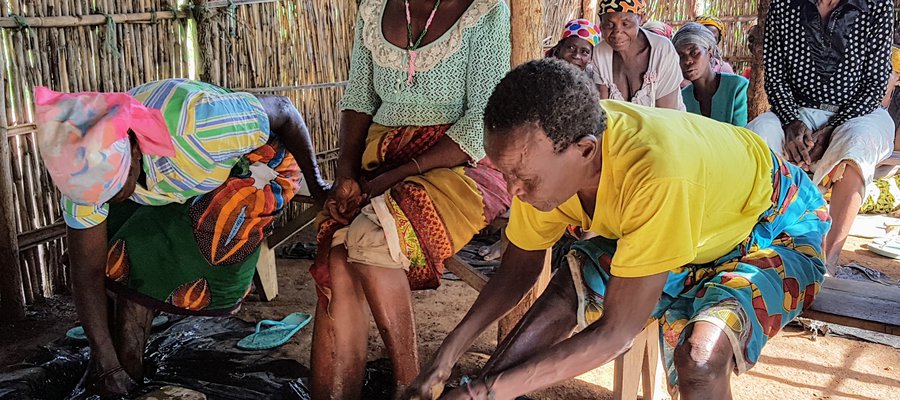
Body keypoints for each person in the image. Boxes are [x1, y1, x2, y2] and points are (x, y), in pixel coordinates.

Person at [405, 59, 829, 400]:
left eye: (523, 180)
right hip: (694, 230)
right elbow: (517, 270)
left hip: (775, 226)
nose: (513, 192)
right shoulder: (542, 159)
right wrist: (446, 359)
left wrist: (484, 392)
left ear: (585, 150)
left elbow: (615, 334)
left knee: (699, 361)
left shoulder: (655, 174)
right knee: (566, 289)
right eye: (506, 174)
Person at [34, 79, 329, 398]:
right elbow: (86, 271)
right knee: (111, 249)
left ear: (133, 150)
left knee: (146, 257)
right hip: (174, 173)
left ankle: (129, 370)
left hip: (259, 163)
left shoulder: (200, 128)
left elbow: (285, 112)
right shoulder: (81, 165)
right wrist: (103, 359)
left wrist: (318, 186)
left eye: (115, 188)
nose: (110, 198)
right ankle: (116, 367)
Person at [309, 0, 512, 398]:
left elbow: (481, 120)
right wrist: (347, 175)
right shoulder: (373, 8)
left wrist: (392, 177)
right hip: (381, 157)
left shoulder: (487, 10)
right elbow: (359, 99)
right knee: (336, 256)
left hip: (460, 161)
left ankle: (412, 385)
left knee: (372, 239)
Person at [746, 0, 894, 274]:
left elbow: (875, 86)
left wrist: (831, 130)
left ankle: (827, 260)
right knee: (756, 138)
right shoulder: (784, 4)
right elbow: (775, 76)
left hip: (860, 113)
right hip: (796, 112)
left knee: (856, 146)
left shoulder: (876, 5)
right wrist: (791, 121)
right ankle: (769, 246)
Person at [591, 0, 685, 110]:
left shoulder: (662, 50)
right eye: (609, 25)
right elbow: (604, 110)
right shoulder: (600, 52)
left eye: (625, 24)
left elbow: (665, 115)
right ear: (601, 23)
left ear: (641, 18)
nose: (617, 33)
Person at [674, 22, 749, 126]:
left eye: (694, 52)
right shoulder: (682, 98)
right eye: (680, 55)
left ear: (710, 52)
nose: (687, 61)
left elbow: (741, 133)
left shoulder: (738, 86)